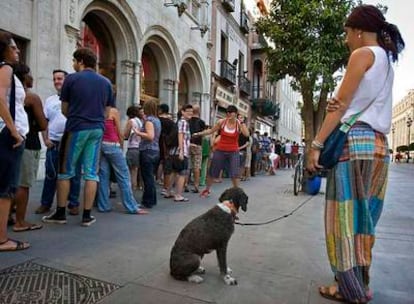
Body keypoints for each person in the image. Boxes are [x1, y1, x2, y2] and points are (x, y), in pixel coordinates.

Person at [306, 5, 404, 303]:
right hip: (378, 148)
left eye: (347, 33)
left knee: (343, 219)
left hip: (353, 144)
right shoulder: (387, 60)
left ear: (359, 31)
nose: (346, 39)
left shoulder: (362, 55)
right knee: (364, 219)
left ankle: (347, 289)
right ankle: (360, 283)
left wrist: (316, 145)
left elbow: (340, 105)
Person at [42, 47, 114, 227]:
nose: (73, 64)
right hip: (97, 129)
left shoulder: (72, 79)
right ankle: (87, 215)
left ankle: (60, 213)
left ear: (80, 61)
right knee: (91, 172)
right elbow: (107, 113)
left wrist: (77, 116)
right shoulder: (106, 83)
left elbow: (65, 109)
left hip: (76, 128)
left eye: (74, 61)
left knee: (66, 171)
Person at [35, 69, 82, 215]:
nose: (56, 82)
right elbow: (44, 122)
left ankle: (73, 203)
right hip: (54, 143)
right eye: (54, 79)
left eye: (60, 79)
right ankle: (46, 203)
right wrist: (46, 139)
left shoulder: (76, 98)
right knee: (51, 174)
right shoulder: (50, 100)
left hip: (72, 142)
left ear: (67, 81)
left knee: (74, 174)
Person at [0, 30, 30, 251]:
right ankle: (2, 239)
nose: (17, 50)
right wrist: (14, 131)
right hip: (9, 137)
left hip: (7, 134)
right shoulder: (6, 68)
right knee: (6, 188)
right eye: (13, 46)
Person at [12, 64, 47, 232]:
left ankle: (8, 216)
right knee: (23, 185)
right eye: (30, 74)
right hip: (29, 142)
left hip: (10, 141)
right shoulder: (31, 98)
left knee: (10, 182)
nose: (32, 77)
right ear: (24, 77)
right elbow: (42, 124)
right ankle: (20, 221)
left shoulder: (7, 94)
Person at [96, 107, 148, 215]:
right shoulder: (113, 111)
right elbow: (119, 132)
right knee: (124, 175)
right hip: (112, 144)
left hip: (102, 144)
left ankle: (103, 204)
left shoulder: (97, 109)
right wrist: (120, 146)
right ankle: (131, 206)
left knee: (103, 176)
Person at [194, 105, 249, 197]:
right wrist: (199, 134)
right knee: (213, 171)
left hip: (233, 151)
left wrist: (242, 123)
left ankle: (237, 192)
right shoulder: (222, 122)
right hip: (220, 150)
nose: (228, 114)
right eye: (227, 112)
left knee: (235, 173)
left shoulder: (238, 124)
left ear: (235, 114)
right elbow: (211, 131)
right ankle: (207, 190)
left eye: (231, 112)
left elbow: (246, 134)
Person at [135, 99, 161, 208]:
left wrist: (138, 132)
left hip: (147, 150)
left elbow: (150, 136)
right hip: (155, 150)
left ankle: (148, 201)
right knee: (150, 176)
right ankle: (151, 199)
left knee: (147, 177)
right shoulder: (157, 120)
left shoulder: (149, 121)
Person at [164, 104, 193, 202]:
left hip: (174, 151)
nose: (190, 113)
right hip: (181, 151)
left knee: (174, 171)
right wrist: (181, 151)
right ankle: (178, 195)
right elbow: (181, 135)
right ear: (182, 112)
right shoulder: (184, 122)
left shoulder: (179, 122)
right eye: (188, 111)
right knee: (182, 172)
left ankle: (168, 191)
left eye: (191, 112)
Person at [124, 105, 142, 191]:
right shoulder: (140, 121)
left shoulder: (131, 121)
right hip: (139, 147)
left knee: (128, 170)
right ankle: (134, 187)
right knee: (135, 170)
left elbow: (126, 135)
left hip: (132, 147)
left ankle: (129, 189)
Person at [188, 104, 206, 193]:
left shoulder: (187, 121)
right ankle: (196, 185)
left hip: (187, 144)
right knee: (197, 166)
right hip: (198, 145)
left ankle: (184, 185)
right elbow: (204, 134)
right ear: (199, 111)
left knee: (187, 165)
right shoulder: (201, 122)